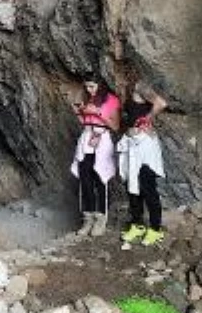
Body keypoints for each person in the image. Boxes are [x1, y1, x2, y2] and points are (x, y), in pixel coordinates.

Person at [118, 82, 169, 247]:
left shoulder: (141, 86)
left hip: (145, 145)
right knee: (133, 186)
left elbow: (161, 103)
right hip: (132, 144)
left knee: (148, 188)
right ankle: (138, 225)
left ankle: (155, 229)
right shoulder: (129, 89)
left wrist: (145, 120)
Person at [69, 77, 121, 237]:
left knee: (100, 180)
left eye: (92, 86)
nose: (90, 90)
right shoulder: (88, 98)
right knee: (84, 180)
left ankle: (100, 219)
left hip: (102, 139)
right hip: (87, 140)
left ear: (101, 85)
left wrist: (97, 112)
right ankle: (87, 218)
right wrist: (77, 111)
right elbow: (85, 122)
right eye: (87, 87)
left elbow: (116, 126)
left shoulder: (111, 100)